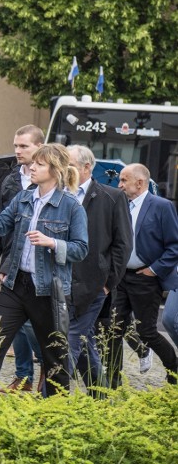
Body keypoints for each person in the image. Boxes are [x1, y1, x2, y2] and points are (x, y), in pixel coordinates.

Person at [0, 143, 88, 397]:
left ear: (55, 170)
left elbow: (81, 249)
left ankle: (56, 410)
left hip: (48, 291)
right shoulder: (24, 197)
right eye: (32, 163)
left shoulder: (71, 206)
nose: (31, 167)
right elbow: (0, 228)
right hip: (15, 285)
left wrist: (52, 242)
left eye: (39, 164)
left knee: (54, 354)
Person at [0, 124, 44, 393]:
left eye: (24, 146)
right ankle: (24, 376)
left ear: (39, 148)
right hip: (12, 260)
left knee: (33, 324)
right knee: (12, 324)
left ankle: (48, 368)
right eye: (16, 146)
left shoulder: (53, 181)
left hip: (42, 265)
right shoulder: (11, 180)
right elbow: (1, 223)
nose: (17, 151)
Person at [65, 145, 132, 393]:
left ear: (86, 168)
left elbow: (123, 245)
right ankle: (100, 395)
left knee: (71, 338)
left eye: (69, 164)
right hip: (63, 280)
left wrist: (107, 283)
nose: (64, 170)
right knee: (84, 341)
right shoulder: (59, 194)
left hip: (93, 285)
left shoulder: (112, 197)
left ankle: (49, 398)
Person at [110, 163, 178, 385]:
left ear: (139, 183)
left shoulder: (161, 206)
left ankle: (174, 372)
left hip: (146, 279)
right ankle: (112, 381)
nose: (119, 185)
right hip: (121, 277)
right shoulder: (119, 204)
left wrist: (154, 269)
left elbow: (174, 245)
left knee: (147, 331)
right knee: (114, 329)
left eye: (123, 180)